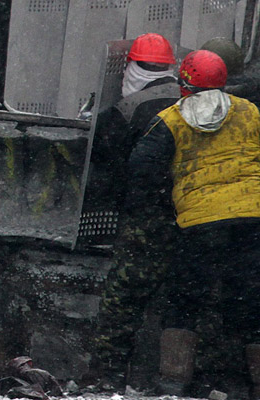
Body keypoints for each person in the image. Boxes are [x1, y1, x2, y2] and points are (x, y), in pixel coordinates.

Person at [127, 50, 260, 396]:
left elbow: (140, 168)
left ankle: (173, 381)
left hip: (200, 224)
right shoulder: (249, 110)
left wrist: (161, 207)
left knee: (185, 300)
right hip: (253, 219)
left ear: (183, 83)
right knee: (252, 300)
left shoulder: (170, 120)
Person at [90, 33, 181, 388]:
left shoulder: (129, 110)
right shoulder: (188, 100)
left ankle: (108, 374)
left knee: (122, 300)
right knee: (182, 302)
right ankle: (177, 377)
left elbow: (104, 158)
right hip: (191, 216)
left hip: (146, 220)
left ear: (131, 67)